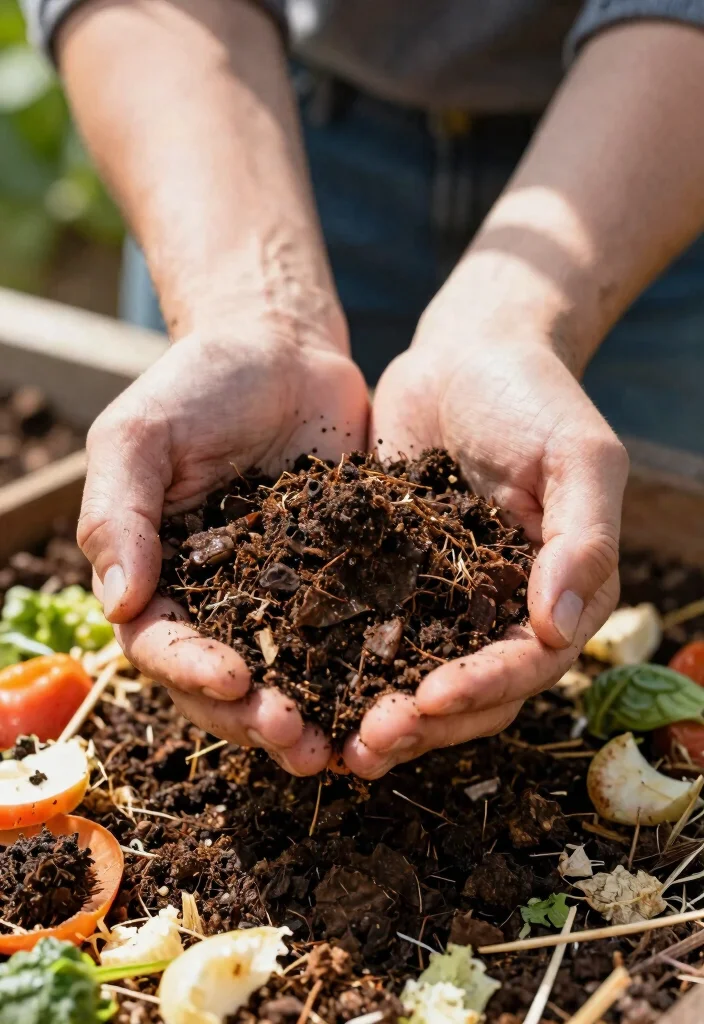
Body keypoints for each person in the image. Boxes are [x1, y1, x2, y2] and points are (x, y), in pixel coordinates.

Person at [20, 0, 704, 777]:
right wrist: (250, 311)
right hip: (238, 126)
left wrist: (512, 326)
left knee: (623, 536)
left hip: (656, 139)